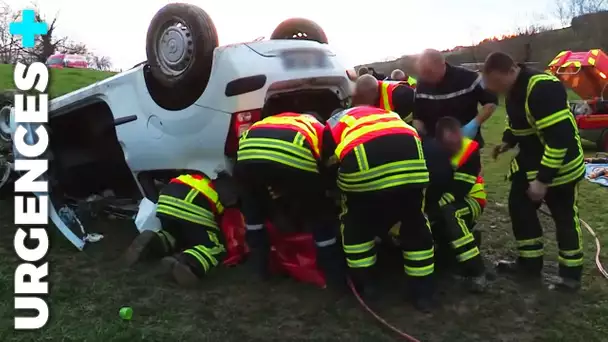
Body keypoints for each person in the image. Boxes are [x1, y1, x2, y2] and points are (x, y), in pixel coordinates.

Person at [482, 52, 586, 291]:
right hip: (530, 164)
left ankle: (570, 276)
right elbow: (518, 122)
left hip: (561, 166)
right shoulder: (513, 90)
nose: (496, 90)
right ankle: (529, 264)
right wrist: (507, 141)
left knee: (564, 217)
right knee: (519, 208)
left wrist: (542, 181)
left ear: (510, 71)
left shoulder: (542, 89)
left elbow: (559, 140)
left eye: (497, 84)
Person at [322, 106, 435, 311]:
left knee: (356, 221)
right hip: (412, 162)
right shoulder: (385, 113)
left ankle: (367, 286)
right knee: (414, 222)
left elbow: (328, 164)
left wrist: (333, 190)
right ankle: (423, 293)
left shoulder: (332, 125)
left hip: (364, 164)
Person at [234, 112, 345, 288]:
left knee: (254, 212)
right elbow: (329, 168)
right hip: (292, 159)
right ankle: (333, 273)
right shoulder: (319, 128)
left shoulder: (273, 119)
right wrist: (327, 192)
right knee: (320, 213)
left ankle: (259, 268)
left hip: (247, 158)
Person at [123, 173, 227, 287]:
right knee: (215, 246)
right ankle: (187, 263)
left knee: (174, 235)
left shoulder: (197, 176)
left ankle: (154, 241)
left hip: (166, 200)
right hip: (192, 204)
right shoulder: (225, 189)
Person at [427, 117, 488, 291]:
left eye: (457, 142)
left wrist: (434, 207)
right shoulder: (430, 150)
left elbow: (460, 188)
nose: (456, 148)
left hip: (471, 199)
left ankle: (476, 270)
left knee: (451, 214)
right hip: (443, 199)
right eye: (449, 144)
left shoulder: (469, 150)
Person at [414, 49, 498, 146]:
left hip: (466, 142)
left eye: (429, 72)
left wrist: (473, 124)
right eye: (423, 73)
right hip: (435, 145)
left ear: (442, 65)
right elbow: (418, 116)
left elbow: (491, 102)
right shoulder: (422, 84)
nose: (425, 77)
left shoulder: (468, 78)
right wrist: (420, 136)